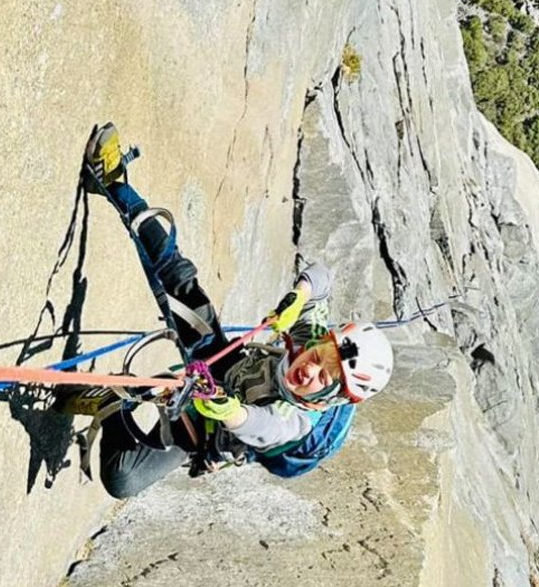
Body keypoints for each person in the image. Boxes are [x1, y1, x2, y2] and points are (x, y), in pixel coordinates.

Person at [60, 122, 394, 499]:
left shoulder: (297, 421)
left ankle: (112, 401)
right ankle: (115, 181)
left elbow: (260, 426)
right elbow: (322, 278)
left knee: (124, 480)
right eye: (320, 356)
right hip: (222, 365)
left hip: (204, 428)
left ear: (332, 395)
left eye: (324, 376)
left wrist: (224, 410)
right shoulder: (309, 341)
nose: (310, 368)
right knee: (177, 278)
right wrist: (299, 297)